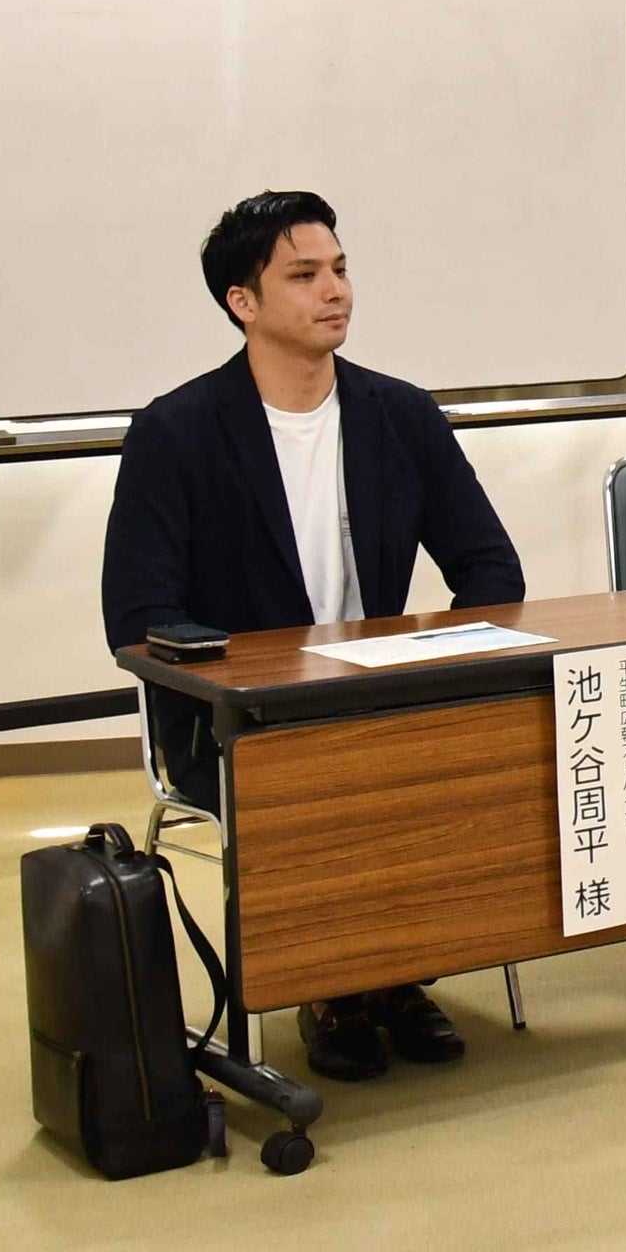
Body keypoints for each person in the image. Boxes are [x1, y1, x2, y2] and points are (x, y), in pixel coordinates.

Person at [101, 191, 526, 1083]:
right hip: (236, 721)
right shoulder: (176, 432)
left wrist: (434, 661)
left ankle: (401, 970)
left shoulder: (399, 415)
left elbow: (491, 567)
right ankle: (335, 985)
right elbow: (140, 618)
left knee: (464, 748)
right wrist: (260, 681)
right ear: (242, 301)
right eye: (304, 275)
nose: (336, 291)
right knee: (320, 772)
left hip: (379, 696)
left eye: (339, 269)